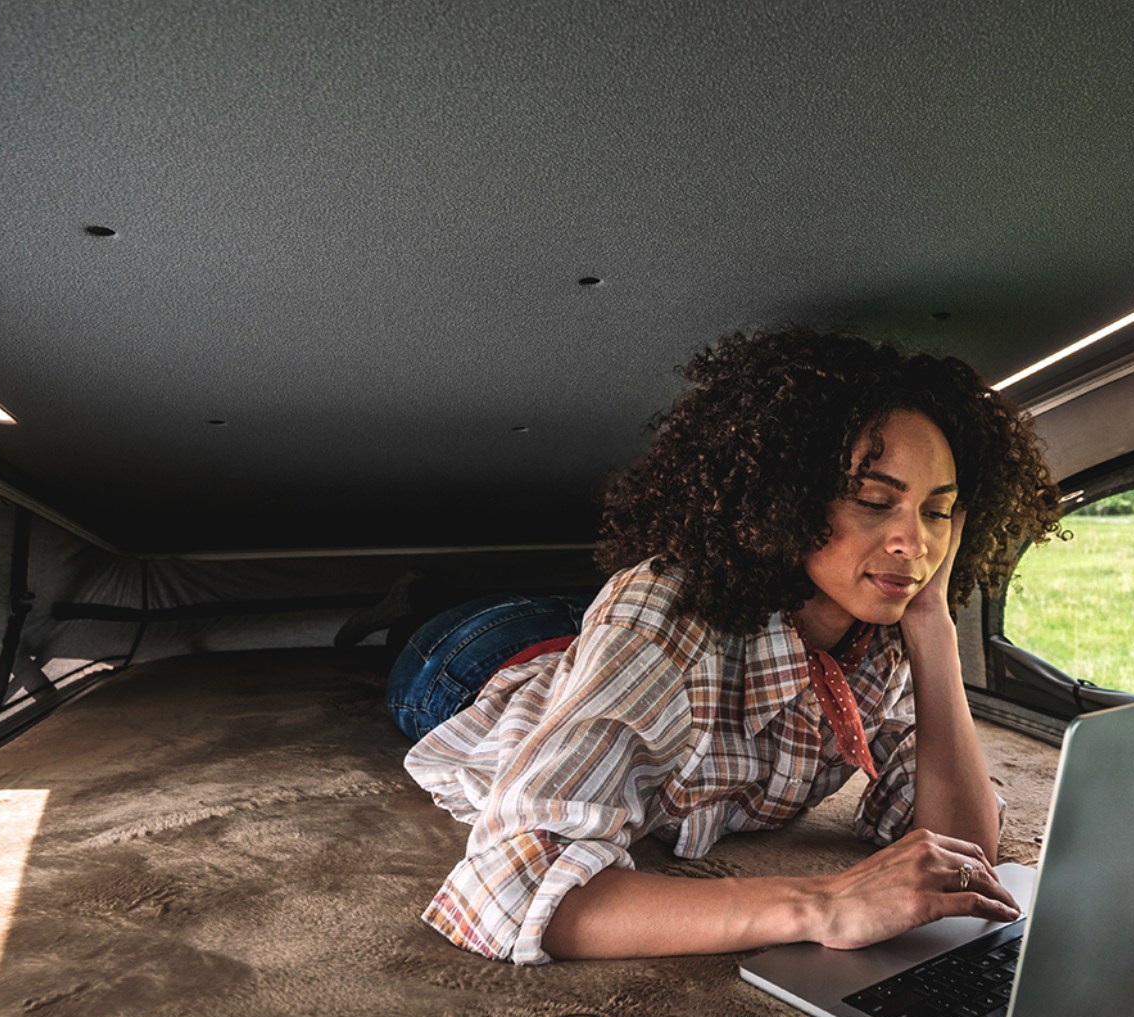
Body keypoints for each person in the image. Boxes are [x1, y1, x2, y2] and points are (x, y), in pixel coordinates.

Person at [396, 328, 1063, 963]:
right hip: (479, 662)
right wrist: (820, 902)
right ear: (788, 496)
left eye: (936, 510)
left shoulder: (881, 630)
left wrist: (932, 624)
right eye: (872, 500)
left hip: (621, 645)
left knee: (600, 626)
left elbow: (961, 853)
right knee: (442, 623)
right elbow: (505, 892)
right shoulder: (660, 617)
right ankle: (412, 598)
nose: (914, 544)